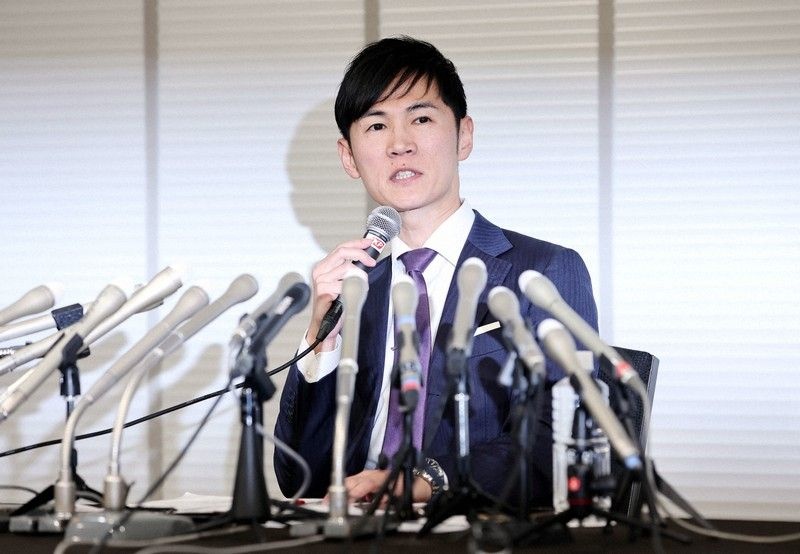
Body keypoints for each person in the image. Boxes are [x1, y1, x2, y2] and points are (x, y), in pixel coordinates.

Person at [274, 36, 598, 509]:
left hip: (474, 527)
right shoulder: (358, 290)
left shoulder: (541, 272)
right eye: (376, 125)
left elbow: (559, 440)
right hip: (357, 529)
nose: (400, 145)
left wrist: (423, 482)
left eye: (421, 119)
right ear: (348, 156)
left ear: (464, 135)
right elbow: (298, 477)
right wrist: (321, 339)